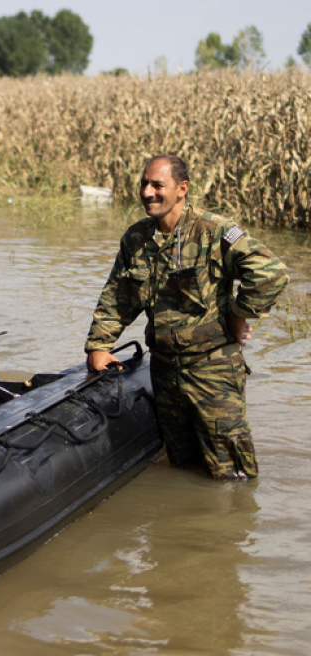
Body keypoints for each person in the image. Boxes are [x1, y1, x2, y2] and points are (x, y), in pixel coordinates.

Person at [85, 154, 289, 480]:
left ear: (182, 188)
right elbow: (118, 297)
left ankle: (233, 528)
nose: (147, 192)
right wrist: (98, 345)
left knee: (232, 473)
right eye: (144, 184)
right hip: (164, 369)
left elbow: (271, 273)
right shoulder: (136, 239)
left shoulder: (213, 231)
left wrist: (239, 315)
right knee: (182, 465)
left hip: (212, 368)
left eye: (157, 185)